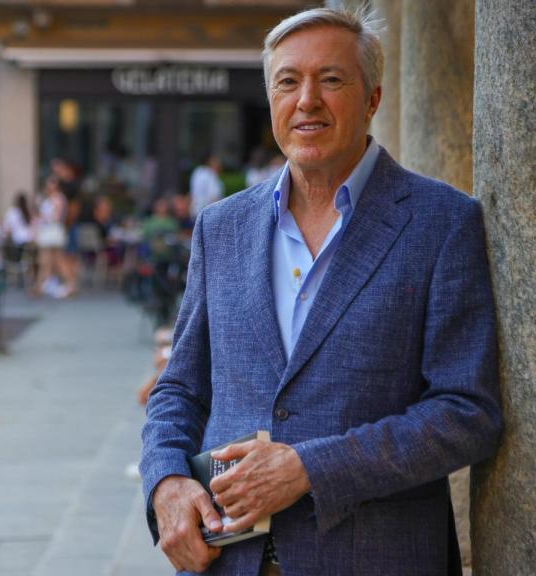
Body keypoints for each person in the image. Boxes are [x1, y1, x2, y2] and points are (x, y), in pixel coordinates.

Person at [140, 7, 502, 576]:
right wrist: (166, 481)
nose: (307, 99)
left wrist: (308, 468)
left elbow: (465, 413)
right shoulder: (222, 227)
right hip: (229, 560)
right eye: (288, 81)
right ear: (272, 100)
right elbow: (179, 389)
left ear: (373, 98)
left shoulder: (442, 222)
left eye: (331, 80)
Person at [189, 153, 223, 218]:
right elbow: (214, 198)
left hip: (195, 211)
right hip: (208, 214)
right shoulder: (211, 176)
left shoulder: (197, 172)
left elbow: (192, 193)